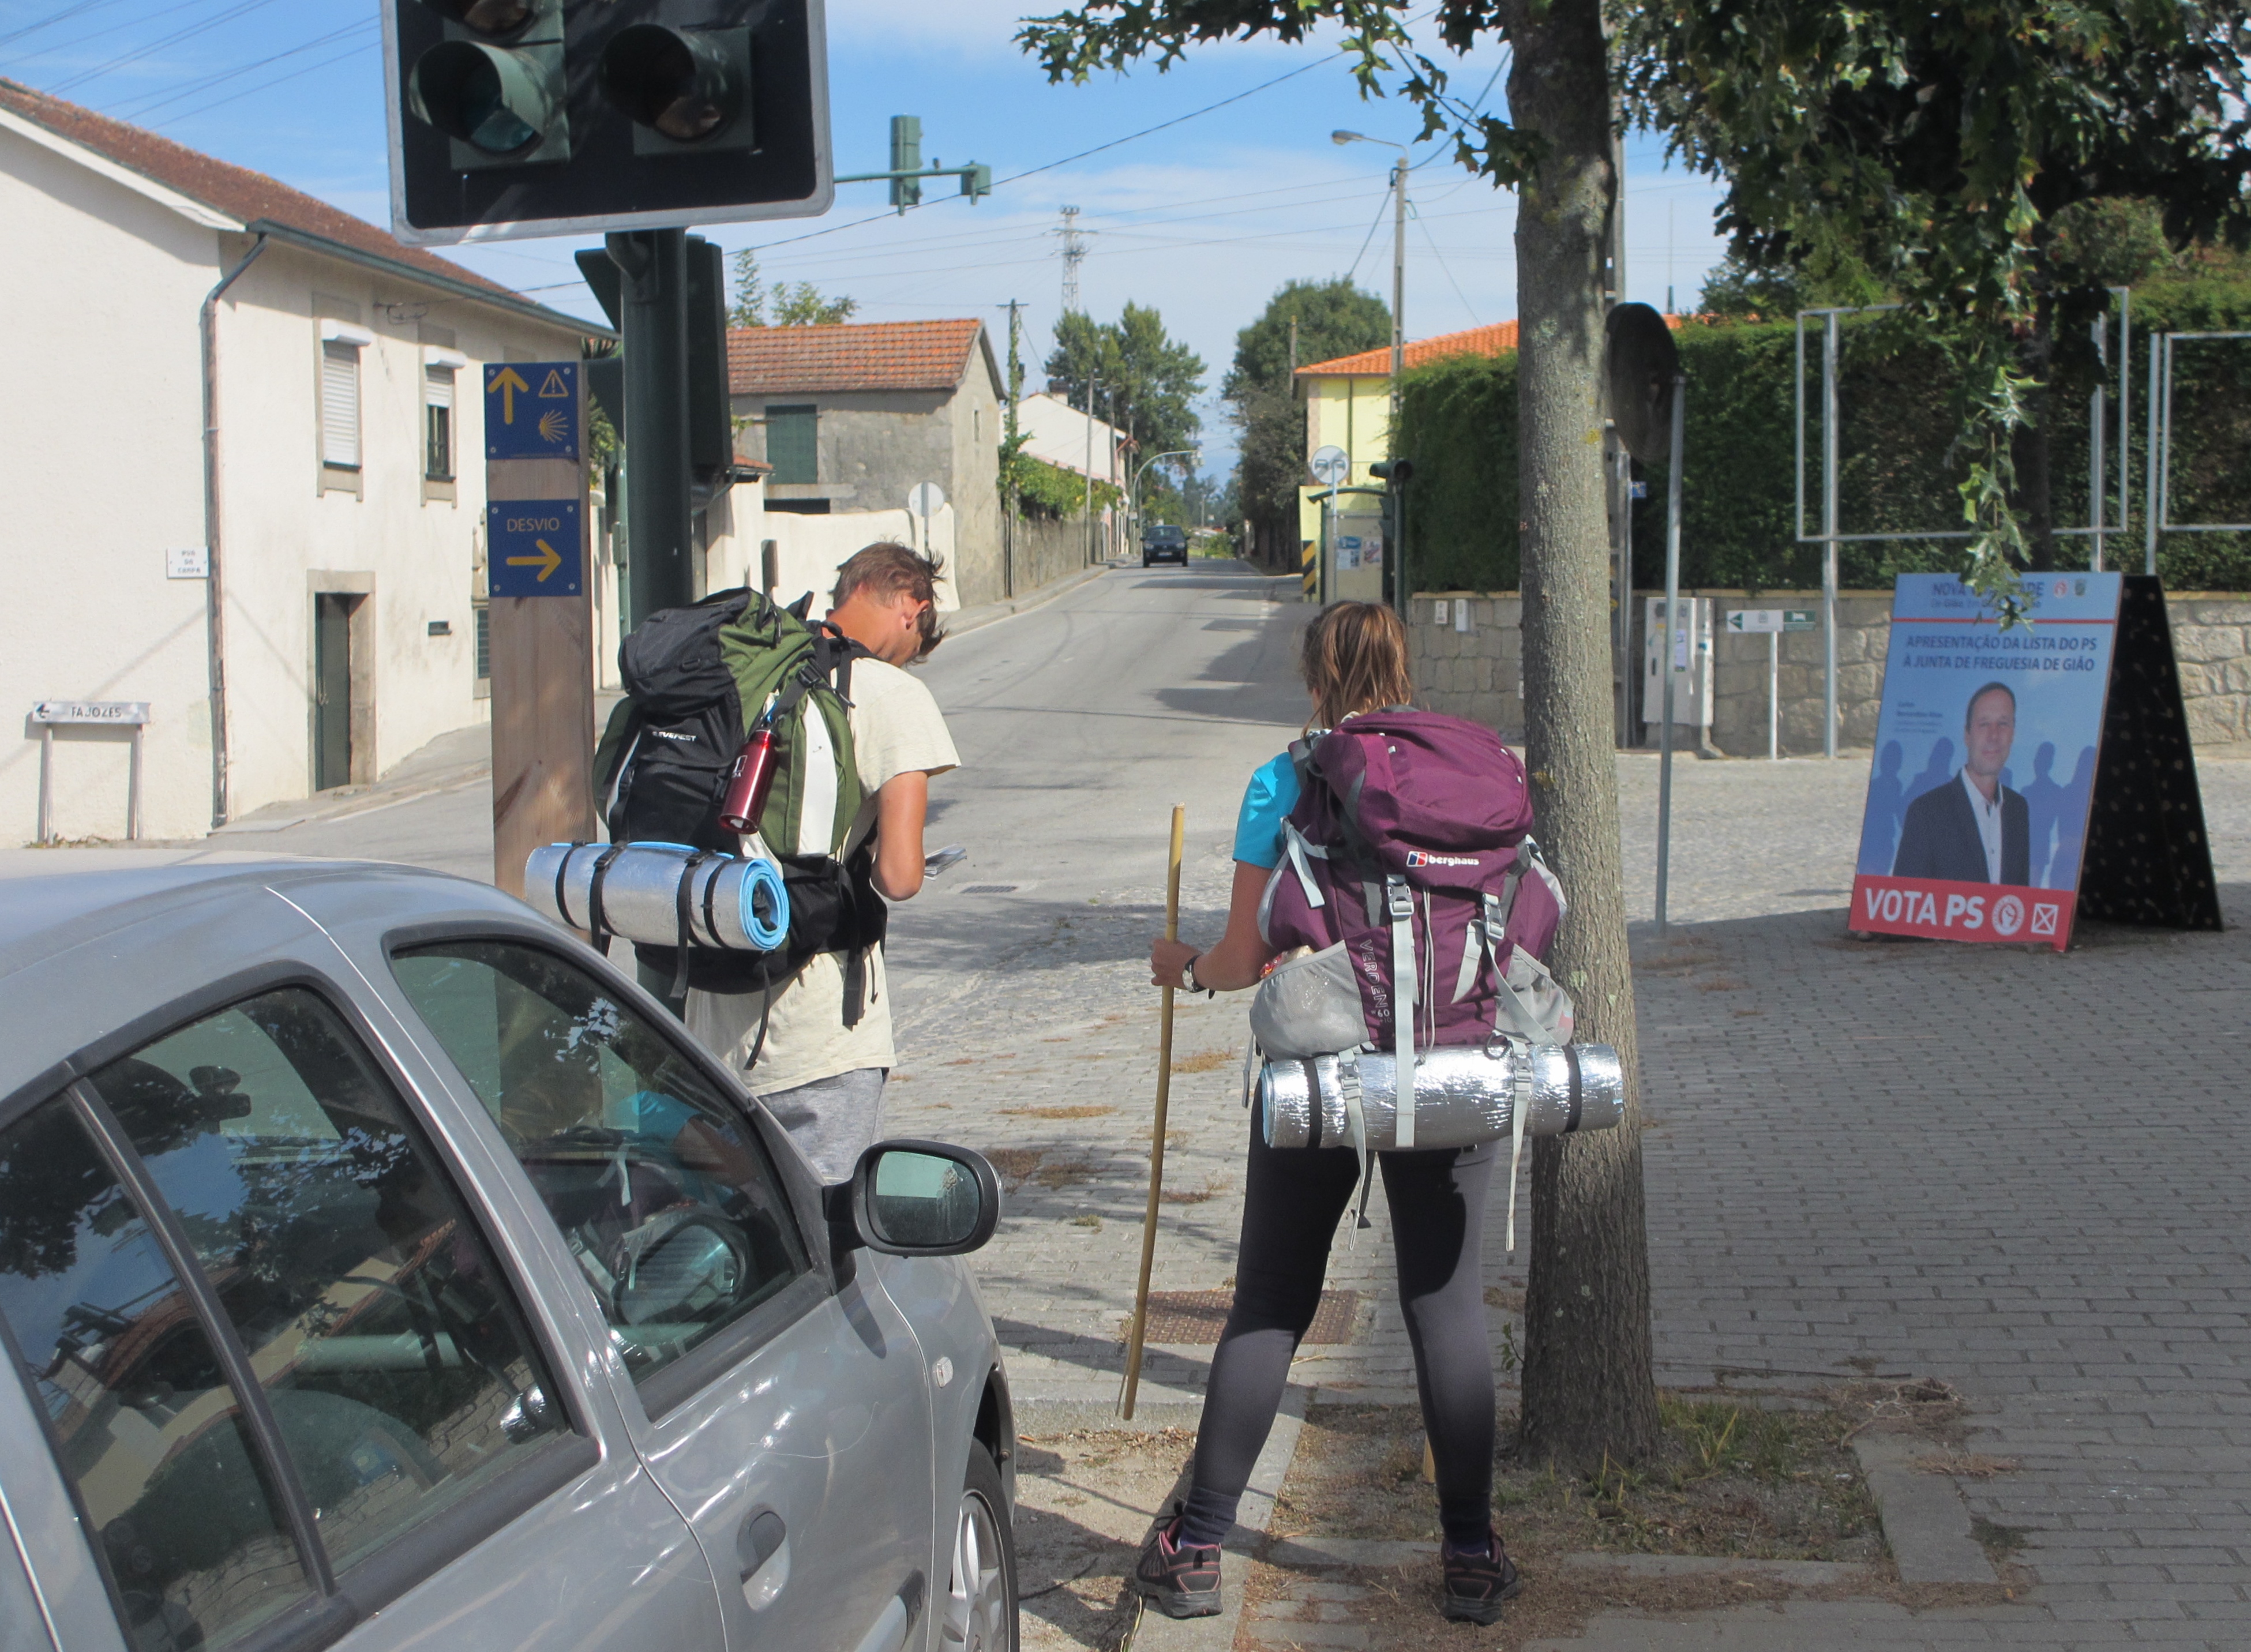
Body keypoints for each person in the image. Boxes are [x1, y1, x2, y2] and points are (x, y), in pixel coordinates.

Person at [1135, 601, 1520, 1627]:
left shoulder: (1286, 778)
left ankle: (1196, 1548)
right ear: (1404, 669)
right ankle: (1471, 1557)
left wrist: (1184, 969)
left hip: (1321, 1071)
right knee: (1446, 1305)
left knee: (1271, 1300)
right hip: (1454, 1059)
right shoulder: (1469, 769)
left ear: (1315, 678)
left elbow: (1239, 957)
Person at [685, 543, 958, 1182]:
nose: (908, 657)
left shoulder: (748, 674)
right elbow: (899, 876)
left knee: (732, 1221)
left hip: (708, 1024)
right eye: (916, 642)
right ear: (912, 607)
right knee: (823, 1220)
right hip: (819, 1033)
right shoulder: (891, 693)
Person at [1891, 681, 2029, 885]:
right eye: (1984, 724)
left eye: (2003, 724)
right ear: (1967, 735)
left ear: (2013, 733)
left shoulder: (2018, 809)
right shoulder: (1926, 812)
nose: (1994, 735)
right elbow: (1907, 896)